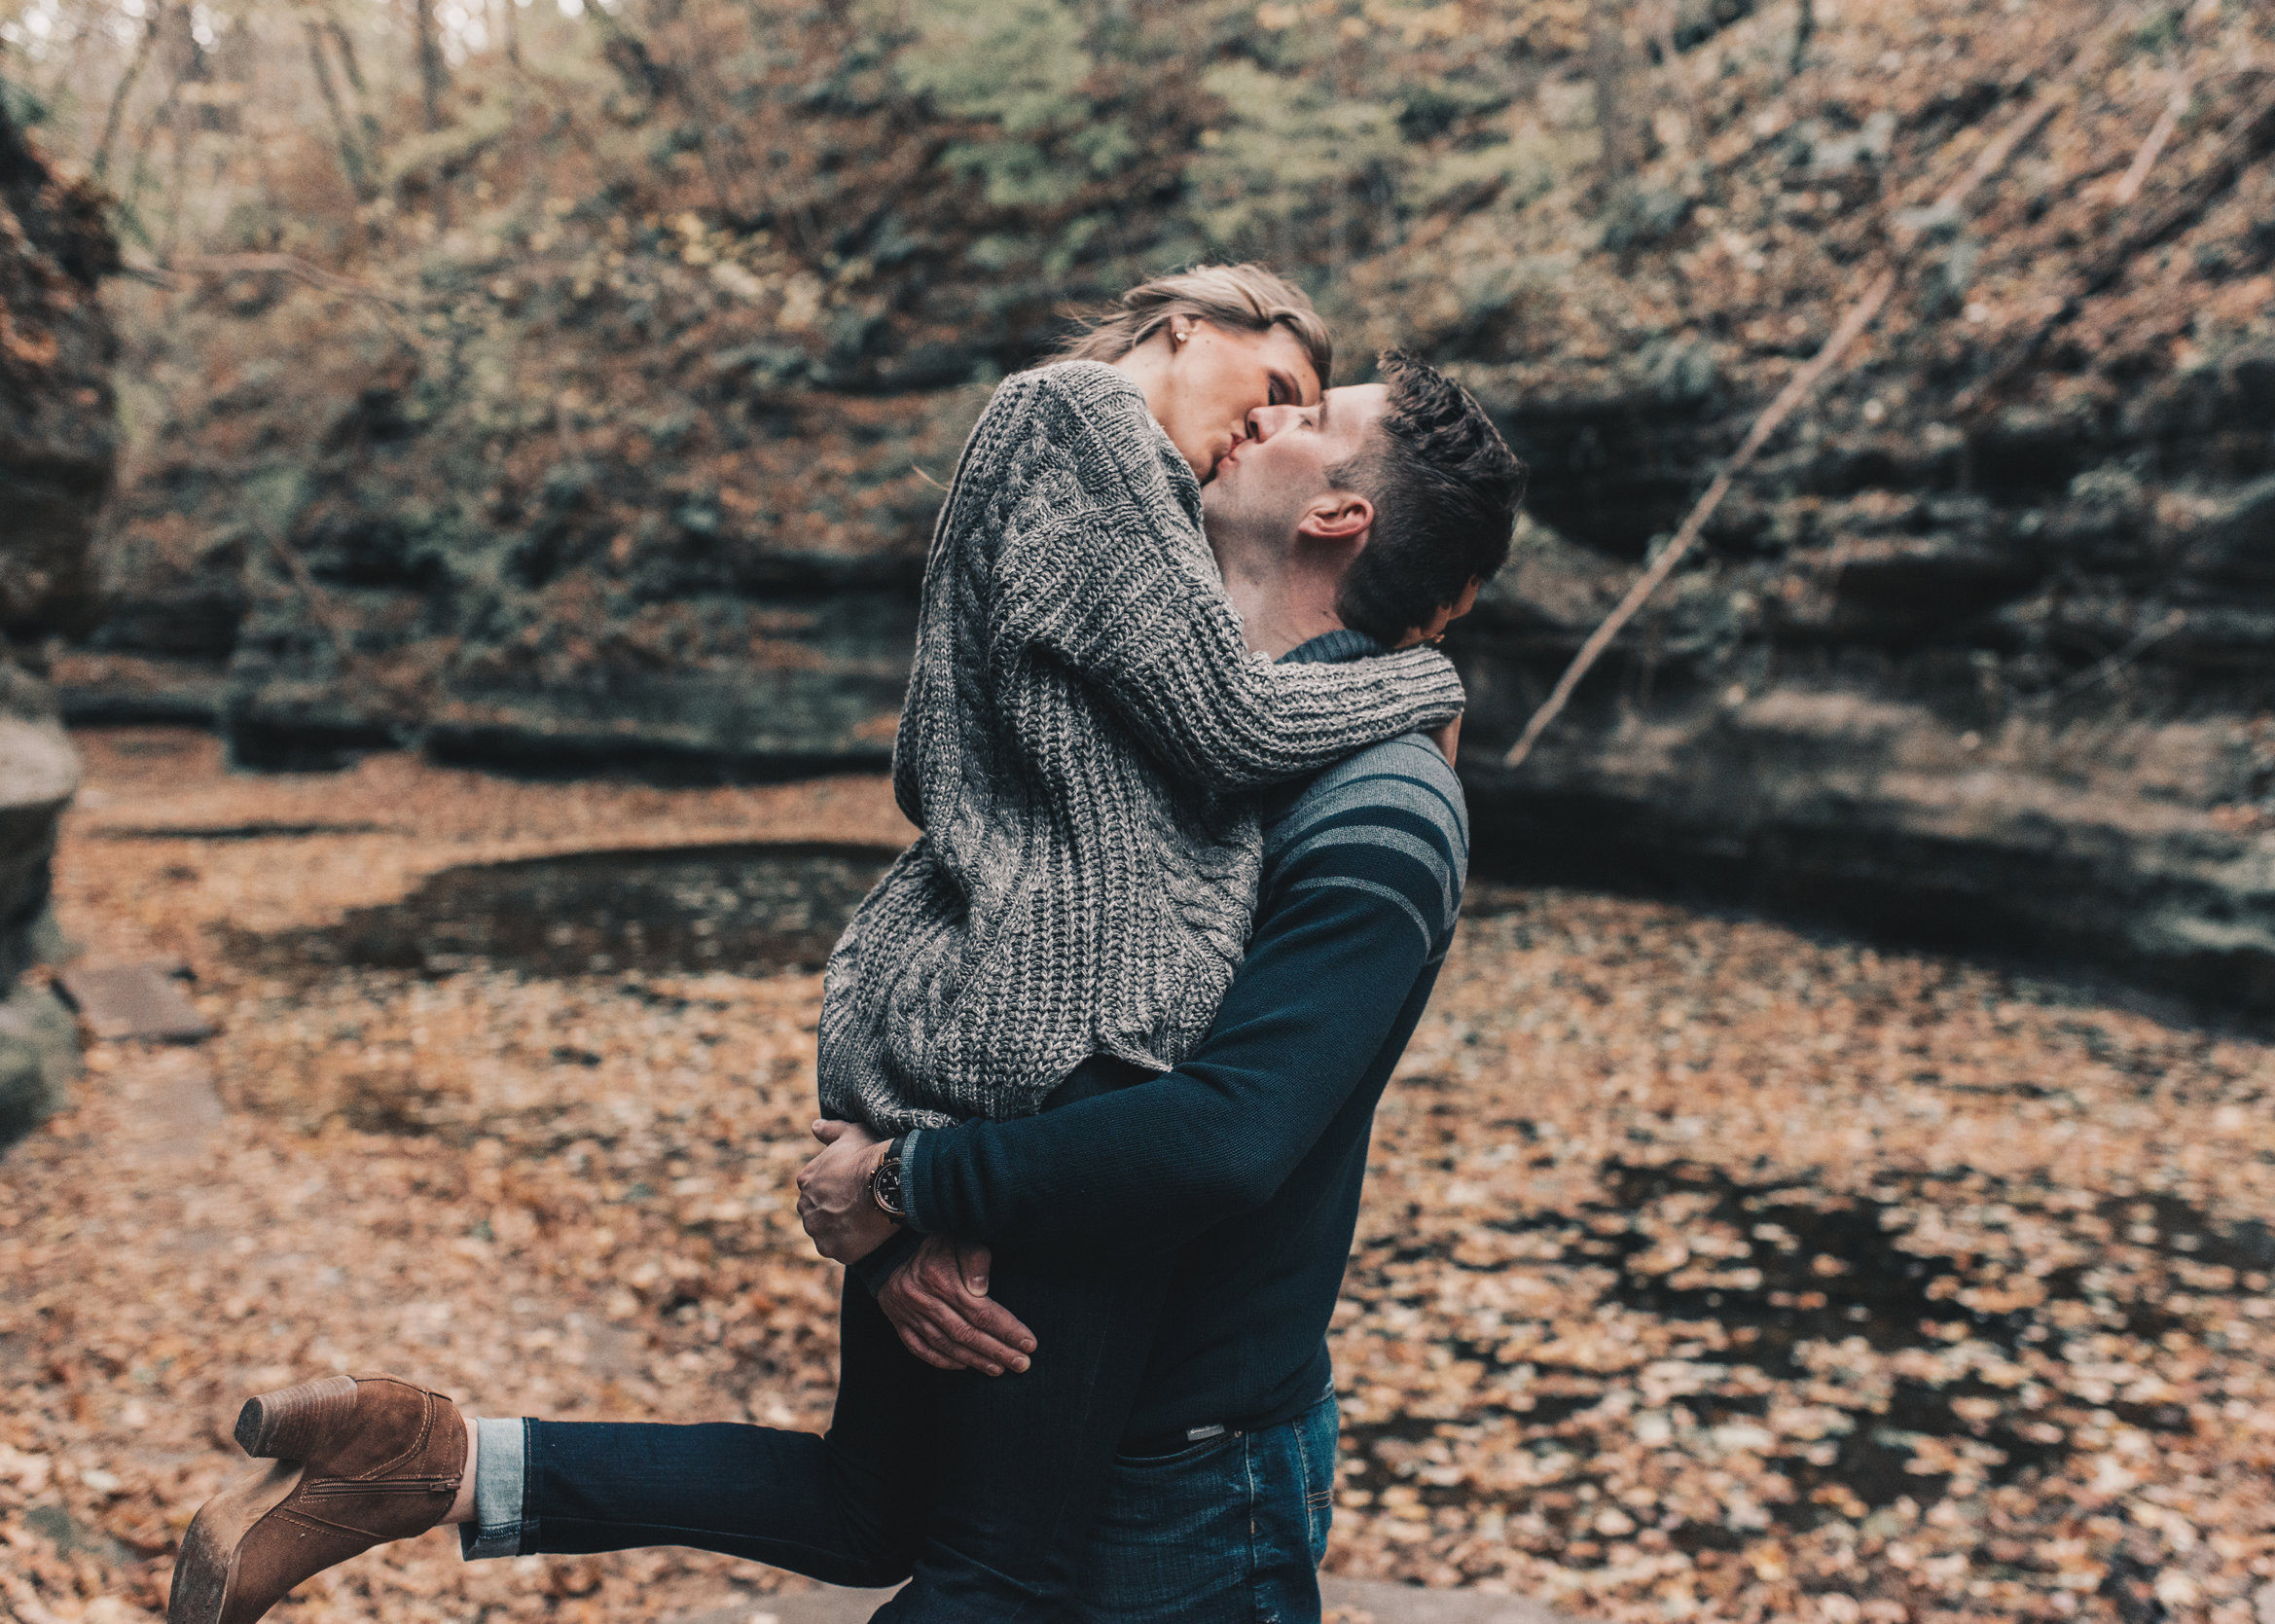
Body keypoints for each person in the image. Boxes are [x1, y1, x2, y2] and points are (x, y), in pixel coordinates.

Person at [165, 334, 1523, 1624]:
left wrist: (906, 1181)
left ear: (1339, 518)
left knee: (942, 1559)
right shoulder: (1167, 728)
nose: (1270, 415)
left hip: (1187, 1463)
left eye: (1313, 411)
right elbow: (985, 954)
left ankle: (438, 1467)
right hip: (1032, 1322)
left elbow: (1224, 1137)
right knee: (881, 1511)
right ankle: (435, 1465)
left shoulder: (1379, 806)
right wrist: (882, 1217)